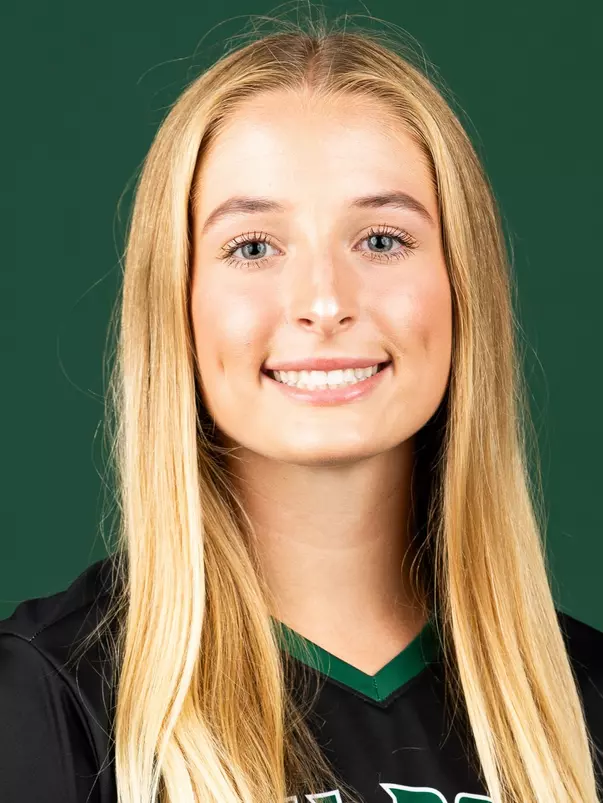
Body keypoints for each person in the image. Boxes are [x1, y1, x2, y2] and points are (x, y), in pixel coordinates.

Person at [1, 14, 602, 803]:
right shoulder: (50, 696)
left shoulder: (581, 700)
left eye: (381, 239)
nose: (324, 302)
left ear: (464, 287)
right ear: (175, 301)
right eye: (253, 247)